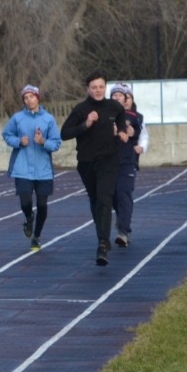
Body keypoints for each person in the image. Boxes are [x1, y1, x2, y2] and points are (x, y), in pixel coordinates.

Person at [60, 73, 132, 265]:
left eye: (101, 86)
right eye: (94, 87)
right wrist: (86, 124)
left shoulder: (114, 106)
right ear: (88, 89)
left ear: (105, 87)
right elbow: (64, 133)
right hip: (86, 162)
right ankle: (102, 233)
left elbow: (121, 120)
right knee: (95, 200)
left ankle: (102, 243)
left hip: (109, 160)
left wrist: (123, 133)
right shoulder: (81, 109)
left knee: (104, 198)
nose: (98, 90)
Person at [0, 85, 61, 253]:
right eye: (26, 98)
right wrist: (19, 141)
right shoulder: (17, 118)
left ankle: (37, 236)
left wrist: (43, 142)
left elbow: (56, 143)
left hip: (43, 170)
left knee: (42, 205)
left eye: (31, 97)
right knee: (26, 202)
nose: (29, 100)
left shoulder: (48, 119)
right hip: (23, 168)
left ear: (38, 98)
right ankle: (28, 217)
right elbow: (6, 135)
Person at [110, 84, 148, 248]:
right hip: (108, 161)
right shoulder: (105, 115)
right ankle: (122, 222)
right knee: (112, 196)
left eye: (121, 95)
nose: (118, 98)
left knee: (124, 193)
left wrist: (135, 136)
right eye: (115, 95)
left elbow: (141, 133)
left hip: (127, 161)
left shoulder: (135, 116)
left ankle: (123, 232)